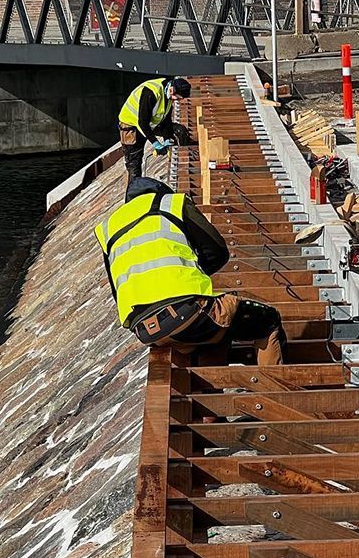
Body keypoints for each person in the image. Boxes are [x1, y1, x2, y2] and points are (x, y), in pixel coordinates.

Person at [95, 177, 287, 365]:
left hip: (145, 330)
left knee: (213, 333)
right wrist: (191, 271)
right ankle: (275, 384)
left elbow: (117, 292)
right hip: (187, 312)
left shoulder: (109, 228)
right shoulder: (171, 203)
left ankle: (210, 385)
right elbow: (217, 252)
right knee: (267, 320)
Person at [118, 77, 192, 196]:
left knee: (179, 131)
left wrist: (167, 140)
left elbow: (166, 120)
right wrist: (156, 144)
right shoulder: (151, 92)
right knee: (134, 166)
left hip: (150, 124)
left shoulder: (167, 94)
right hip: (131, 126)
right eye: (177, 98)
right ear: (172, 90)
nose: (176, 101)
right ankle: (132, 197)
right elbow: (142, 123)